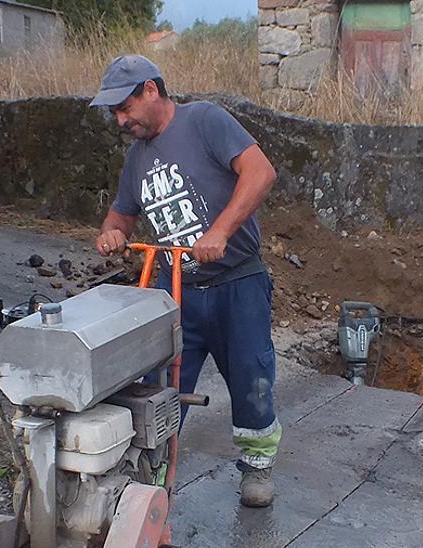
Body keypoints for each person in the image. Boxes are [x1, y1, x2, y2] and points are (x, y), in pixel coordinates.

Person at [90, 54, 281, 508]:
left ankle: (257, 465)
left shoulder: (205, 121)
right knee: (160, 385)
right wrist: (112, 234)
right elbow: (120, 216)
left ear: (151, 91)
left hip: (237, 280)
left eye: (125, 108)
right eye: (114, 113)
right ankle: (154, 471)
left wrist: (219, 232)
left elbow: (261, 173)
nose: (120, 120)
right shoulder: (136, 158)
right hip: (176, 290)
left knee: (252, 376)